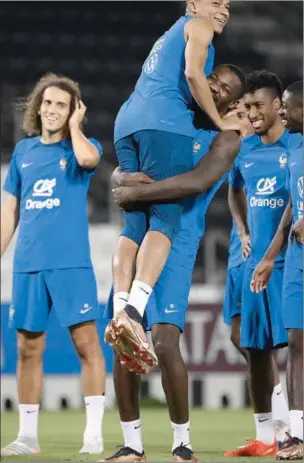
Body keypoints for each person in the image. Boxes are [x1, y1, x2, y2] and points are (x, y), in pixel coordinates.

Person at [103, 64, 247, 462]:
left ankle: (182, 443)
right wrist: (121, 179)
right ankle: (132, 445)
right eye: (212, 79)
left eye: (224, 90)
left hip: (178, 243)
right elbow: (122, 168)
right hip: (139, 236)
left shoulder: (226, 138)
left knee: (166, 344)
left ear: (232, 103)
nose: (214, 88)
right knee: (121, 341)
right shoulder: (172, 119)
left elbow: (195, 183)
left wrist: (134, 190)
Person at [108, 0, 241, 370]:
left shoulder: (165, 37)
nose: (223, 10)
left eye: (227, 5)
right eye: (215, 1)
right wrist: (219, 123)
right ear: (194, 4)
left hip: (127, 120)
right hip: (164, 123)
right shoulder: (198, 26)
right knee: (165, 219)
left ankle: (119, 309)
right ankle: (134, 312)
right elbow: (195, 74)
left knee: (134, 223)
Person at [0, 74, 105, 456]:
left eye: (62, 105)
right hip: (29, 264)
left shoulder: (81, 148)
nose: (52, 110)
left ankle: (93, 435)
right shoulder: (24, 152)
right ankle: (27, 436)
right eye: (47, 103)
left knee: (86, 345)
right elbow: (9, 211)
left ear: (73, 110)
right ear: (37, 106)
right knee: (27, 349)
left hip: (70, 264)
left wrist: (76, 128)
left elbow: (90, 159)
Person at [224, 70, 300, 457]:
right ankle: (267, 436)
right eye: (246, 106)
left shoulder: (297, 145)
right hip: (255, 264)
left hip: (289, 262)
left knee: (295, 348)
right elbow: (234, 190)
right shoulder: (245, 151)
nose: (251, 113)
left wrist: (274, 250)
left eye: (258, 106)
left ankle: (294, 429)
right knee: (254, 347)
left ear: (277, 106)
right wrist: (241, 228)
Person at [250, 81, 303, 461]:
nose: (283, 113)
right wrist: (270, 255)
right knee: (296, 343)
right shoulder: (295, 148)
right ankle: (297, 433)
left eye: (289, 107)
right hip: (297, 259)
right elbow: (291, 206)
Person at [223, 219, 290, 446]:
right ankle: (277, 423)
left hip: (270, 245)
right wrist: (241, 230)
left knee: (262, 341)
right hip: (240, 250)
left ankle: (281, 426)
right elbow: (235, 189)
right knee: (241, 336)